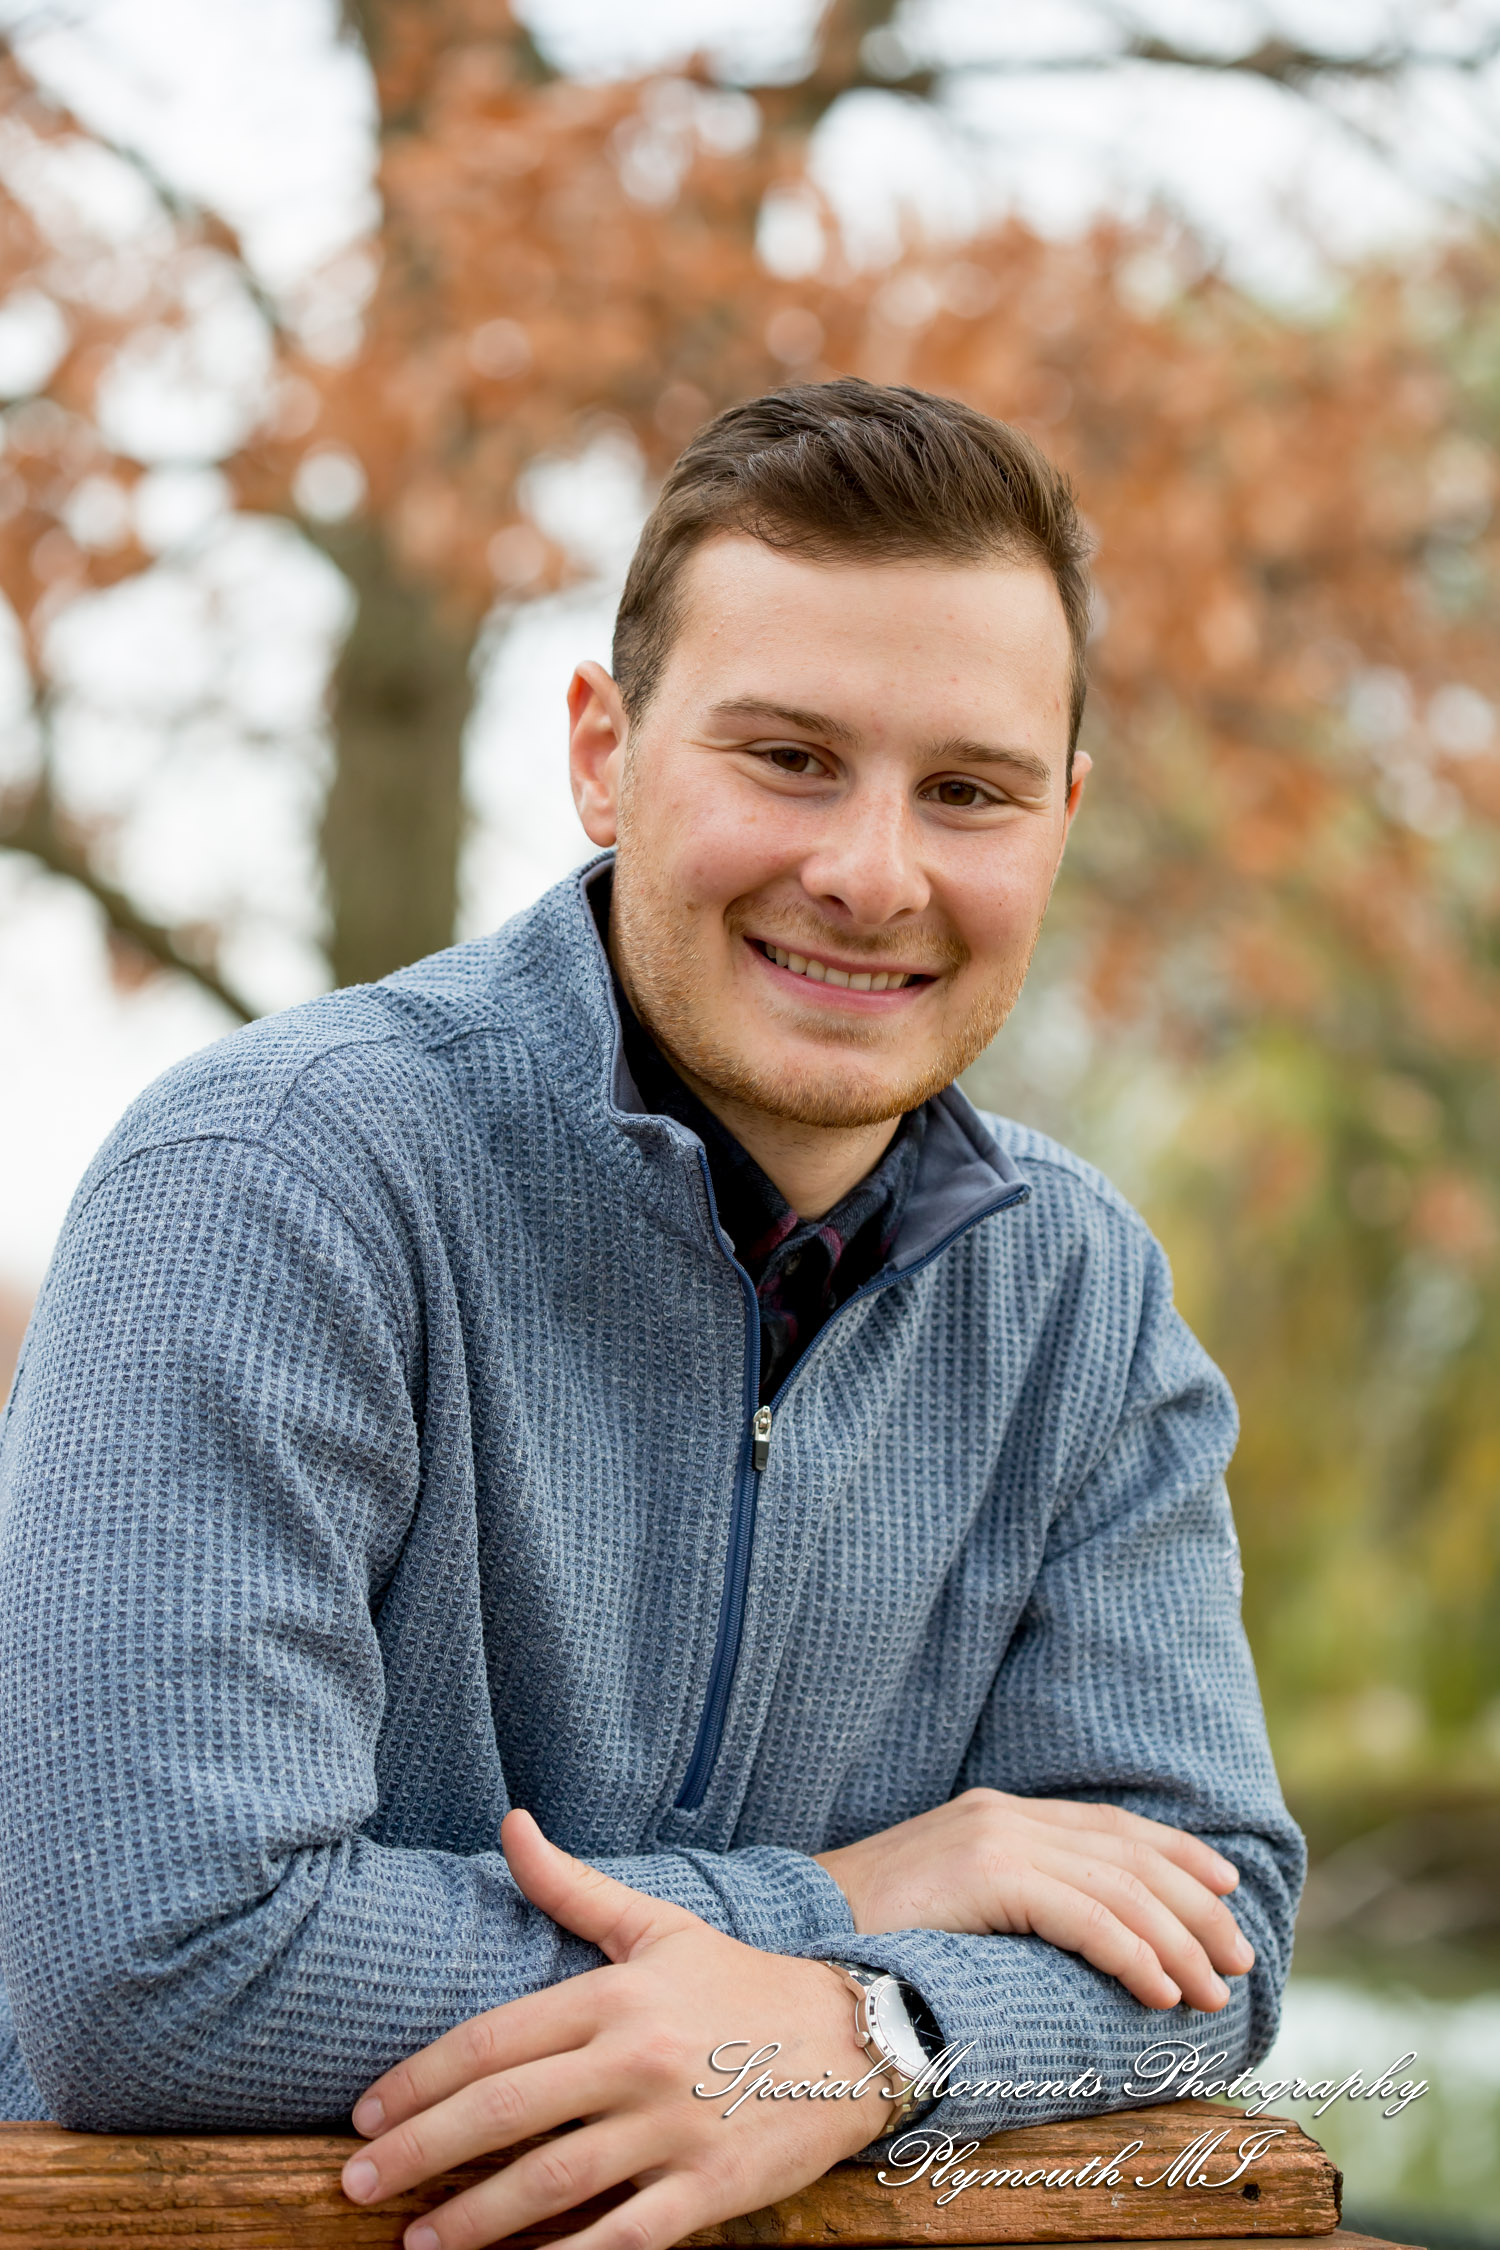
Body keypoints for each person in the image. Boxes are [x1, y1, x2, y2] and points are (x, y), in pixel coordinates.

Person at [0, 379, 1304, 2250]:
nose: (871, 872)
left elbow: (1210, 1928)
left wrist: (869, 2035)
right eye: (789, 756)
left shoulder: (1082, 1301)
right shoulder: (268, 1185)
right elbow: (162, 1962)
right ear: (605, 755)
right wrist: (853, 1905)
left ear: (1063, 818)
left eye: (968, 791)